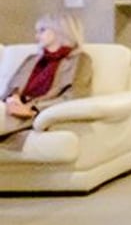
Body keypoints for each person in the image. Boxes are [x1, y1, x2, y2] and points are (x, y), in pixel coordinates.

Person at [2, 13, 92, 146]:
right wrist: (13, 99)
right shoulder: (32, 59)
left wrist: (34, 108)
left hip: (39, 112)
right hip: (11, 108)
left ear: (61, 30)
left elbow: (75, 95)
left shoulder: (79, 60)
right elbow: (13, 88)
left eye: (42, 30)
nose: (36, 36)